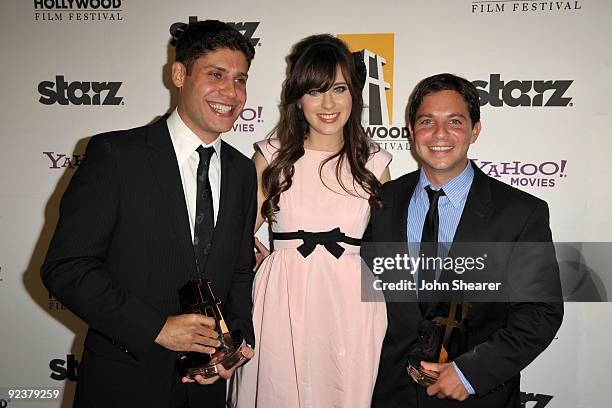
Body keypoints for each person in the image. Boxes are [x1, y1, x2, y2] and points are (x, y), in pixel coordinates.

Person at [41, 20, 257, 407]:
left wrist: (236, 340)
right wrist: (156, 328)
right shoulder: (116, 156)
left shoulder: (243, 171)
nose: (231, 92)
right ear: (179, 74)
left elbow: (239, 270)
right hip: (124, 381)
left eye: (240, 79)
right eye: (216, 75)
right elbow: (67, 267)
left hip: (206, 390)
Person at [367, 73, 563, 407]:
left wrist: (472, 373)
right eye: (427, 121)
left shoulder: (520, 213)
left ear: (475, 130)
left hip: (477, 397)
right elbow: (360, 283)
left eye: (454, 121)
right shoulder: (381, 202)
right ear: (411, 131)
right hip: (390, 394)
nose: (440, 134)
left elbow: (540, 311)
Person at [231, 34, 391, 407]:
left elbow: (391, 251)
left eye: (338, 88)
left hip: (352, 305)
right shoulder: (271, 158)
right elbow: (234, 237)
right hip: (280, 300)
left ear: (354, 93)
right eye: (315, 91)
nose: (328, 103)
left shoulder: (374, 164)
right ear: (298, 98)